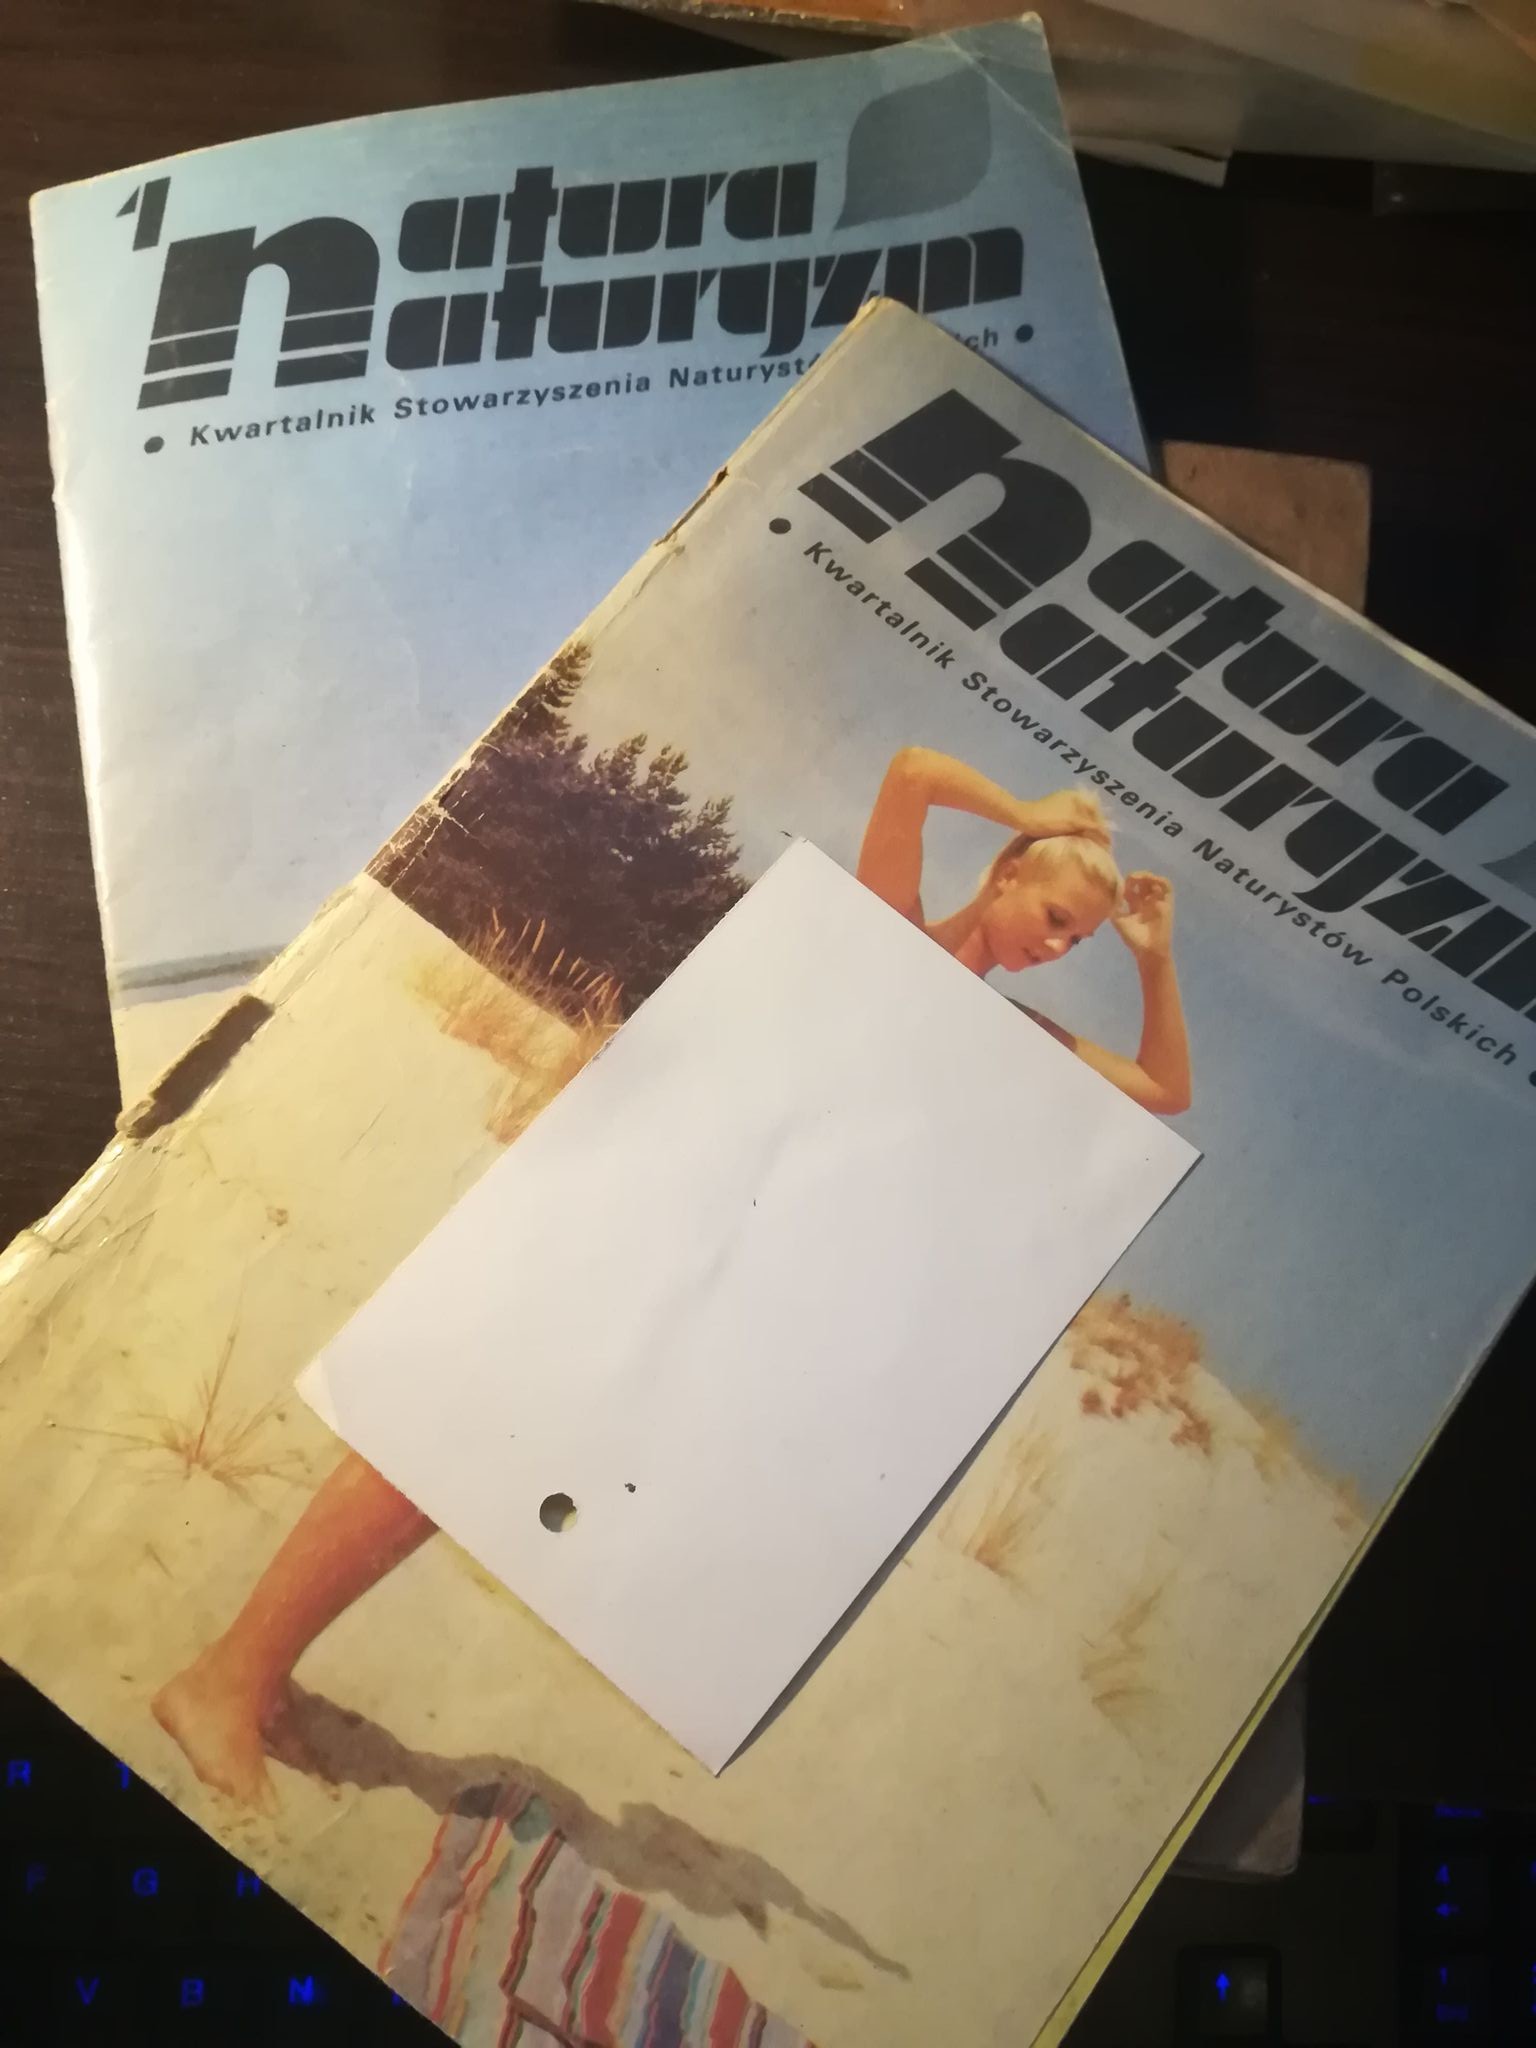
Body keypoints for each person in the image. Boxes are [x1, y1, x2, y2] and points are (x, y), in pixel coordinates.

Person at [153, 746, 1191, 1808]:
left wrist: (1152, 960)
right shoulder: (891, 925)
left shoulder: (1009, 1029)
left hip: (733, 1265)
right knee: (459, 1433)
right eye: (1053, 916)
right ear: (1007, 873)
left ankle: (258, 1668)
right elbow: (914, 772)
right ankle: (223, 1679)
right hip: (661, 1211)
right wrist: (1027, 808)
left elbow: (1163, 1087)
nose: (1056, 947)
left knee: (482, 1459)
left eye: (1075, 940)